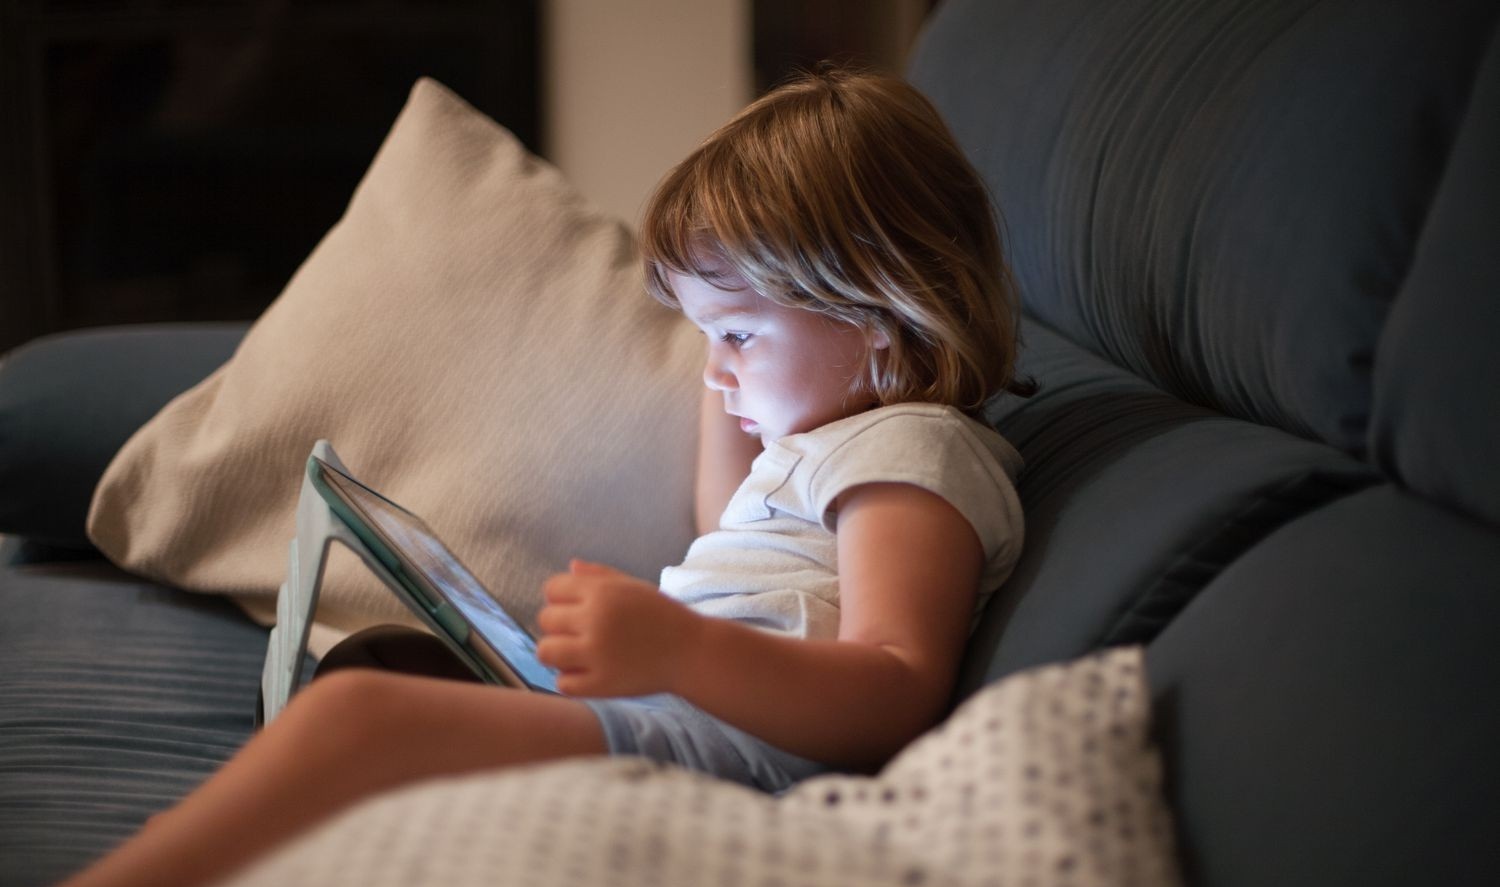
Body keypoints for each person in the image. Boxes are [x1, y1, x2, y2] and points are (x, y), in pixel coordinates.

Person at [61, 65, 1030, 887]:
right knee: (380, 665)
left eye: (737, 333)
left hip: (711, 761)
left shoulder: (913, 453)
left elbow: (897, 684)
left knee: (363, 715)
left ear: (878, 310)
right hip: (665, 722)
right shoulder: (831, 433)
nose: (715, 366)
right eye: (706, 337)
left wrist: (680, 649)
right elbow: (714, 512)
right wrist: (725, 355)